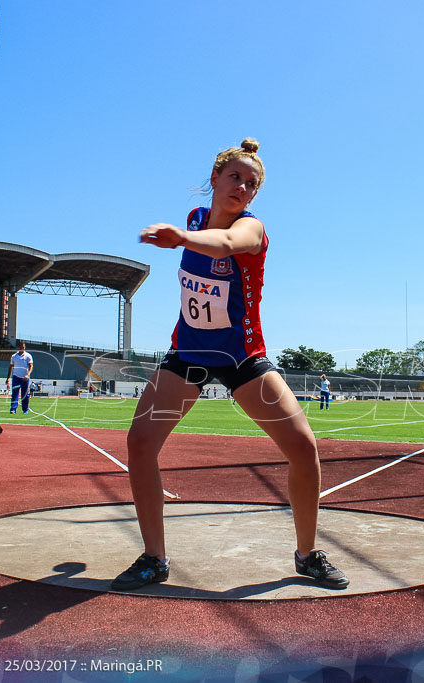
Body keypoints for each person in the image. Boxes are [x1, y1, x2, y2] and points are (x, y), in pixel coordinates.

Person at [112, 138, 349, 592]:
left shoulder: (252, 230)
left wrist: (182, 239)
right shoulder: (195, 218)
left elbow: (225, 243)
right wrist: (186, 233)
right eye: (235, 177)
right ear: (215, 178)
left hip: (242, 358)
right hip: (188, 356)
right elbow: (206, 233)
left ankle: (307, 554)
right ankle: (153, 559)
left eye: (252, 183)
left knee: (302, 447)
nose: (243, 187)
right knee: (140, 443)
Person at [8, 340, 34, 415]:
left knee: (25, 394)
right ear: (18, 347)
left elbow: (31, 366)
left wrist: (28, 374)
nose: (23, 348)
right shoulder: (14, 356)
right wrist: (8, 378)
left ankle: (25, 409)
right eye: (21, 347)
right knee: (15, 393)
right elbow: (10, 367)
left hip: (25, 378)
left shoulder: (28, 356)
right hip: (16, 377)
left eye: (24, 347)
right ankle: (13, 409)